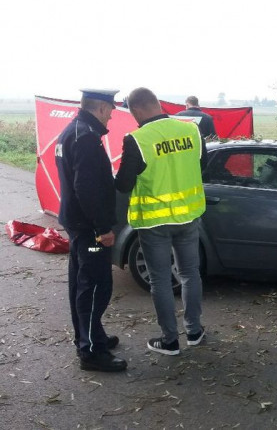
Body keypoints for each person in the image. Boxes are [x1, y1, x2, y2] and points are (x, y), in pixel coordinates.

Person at [115, 87, 207, 356]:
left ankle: (169, 341)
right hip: (188, 215)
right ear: (157, 103)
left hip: (154, 223)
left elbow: (123, 185)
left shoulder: (137, 139)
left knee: (161, 280)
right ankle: (194, 331)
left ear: (137, 110)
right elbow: (199, 166)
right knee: (190, 274)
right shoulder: (191, 130)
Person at [55, 89, 127, 372]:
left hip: (77, 224)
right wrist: (102, 229)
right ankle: (91, 352)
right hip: (90, 230)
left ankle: (90, 336)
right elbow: (85, 187)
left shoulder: (73, 131)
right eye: (111, 108)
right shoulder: (85, 137)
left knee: (81, 282)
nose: (112, 113)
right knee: (96, 284)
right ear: (100, 107)